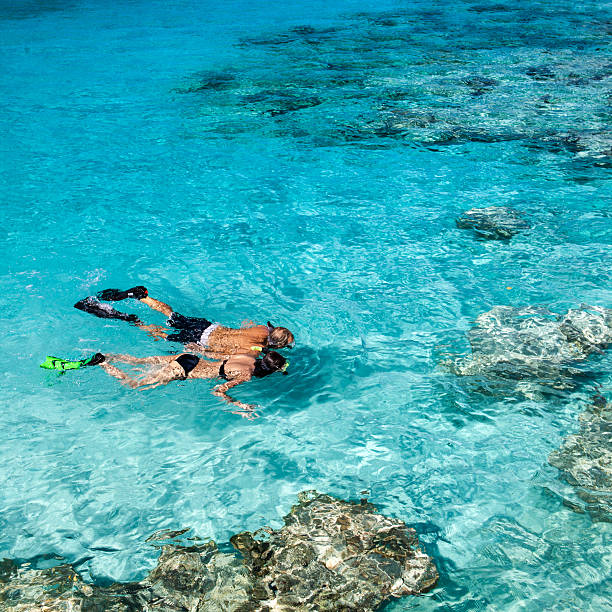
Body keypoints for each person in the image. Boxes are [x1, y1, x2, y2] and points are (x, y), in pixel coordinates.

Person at [41, 349, 289, 418]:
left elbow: (216, 355)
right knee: (134, 384)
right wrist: (239, 405)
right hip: (183, 371)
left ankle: (106, 355)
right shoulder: (245, 376)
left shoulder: (249, 357)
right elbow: (217, 389)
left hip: (189, 358)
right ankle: (102, 363)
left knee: (139, 361)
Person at [74, 286, 295, 357]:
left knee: (172, 315)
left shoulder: (259, 329)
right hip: (201, 338)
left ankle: (142, 297)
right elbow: (217, 354)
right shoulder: (252, 351)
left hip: (209, 326)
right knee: (160, 333)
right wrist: (198, 351)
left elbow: (247, 323)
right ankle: (130, 319)